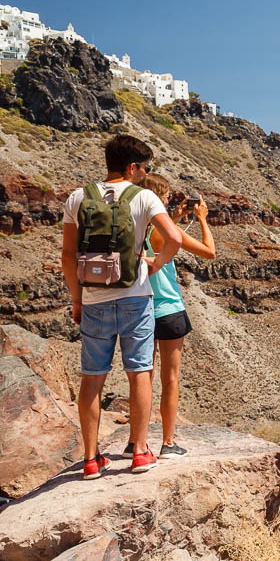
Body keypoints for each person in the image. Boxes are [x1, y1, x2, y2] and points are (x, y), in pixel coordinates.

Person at [62, 135, 182, 479]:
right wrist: (155, 265)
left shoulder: (78, 196)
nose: (145, 174)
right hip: (135, 297)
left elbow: (68, 256)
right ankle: (141, 452)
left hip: (94, 299)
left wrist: (76, 298)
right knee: (139, 371)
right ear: (132, 166)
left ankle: (90, 459)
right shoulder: (143, 196)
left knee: (92, 378)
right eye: (144, 168)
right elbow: (173, 238)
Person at [120, 173, 215, 460]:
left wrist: (174, 214)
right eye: (165, 197)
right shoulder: (169, 231)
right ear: (156, 197)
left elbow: (155, 229)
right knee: (170, 379)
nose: (166, 202)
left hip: (137, 307)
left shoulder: (132, 227)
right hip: (168, 309)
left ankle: (135, 443)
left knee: (141, 378)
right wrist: (201, 219)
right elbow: (209, 252)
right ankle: (169, 443)